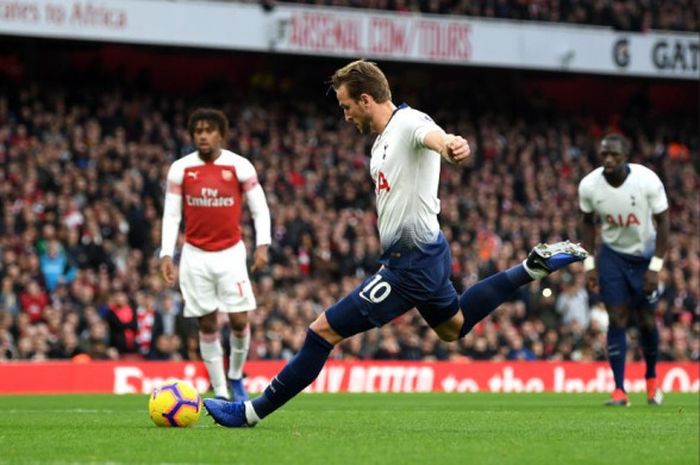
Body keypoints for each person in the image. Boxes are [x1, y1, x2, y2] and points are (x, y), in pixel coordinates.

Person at [203, 60, 586, 427]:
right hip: (427, 253)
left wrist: (451, 144)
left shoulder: (408, 123)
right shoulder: (380, 144)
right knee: (454, 326)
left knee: (321, 331)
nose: (346, 114)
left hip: (411, 265)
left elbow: (432, 136)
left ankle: (250, 413)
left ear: (366, 99)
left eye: (347, 105)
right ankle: (530, 268)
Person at [160, 108, 271, 401]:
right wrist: (166, 254)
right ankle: (220, 390)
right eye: (198, 131)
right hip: (195, 255)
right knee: (206, 323)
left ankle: (235, 377)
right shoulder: (181, 169)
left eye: (209, 130)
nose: (203, 136)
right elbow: (171, 215)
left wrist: (263, 245)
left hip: (231, 254)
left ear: (221, 134)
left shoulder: (239, 166)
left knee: (239, 320)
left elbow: (259, 208)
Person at [578, 133, 669, 407]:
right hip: (613, 257)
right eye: (604, 153)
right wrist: (589, 263)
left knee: (646, 321)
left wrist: (655, 267)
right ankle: (619, 390)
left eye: (614, 155)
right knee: (616, 318)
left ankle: (652, 383)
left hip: (644, 258)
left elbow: (663, 223)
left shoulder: (648, 181)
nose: (608, 159)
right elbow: (586, 223)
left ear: (625, 156)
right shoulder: (589, 185)